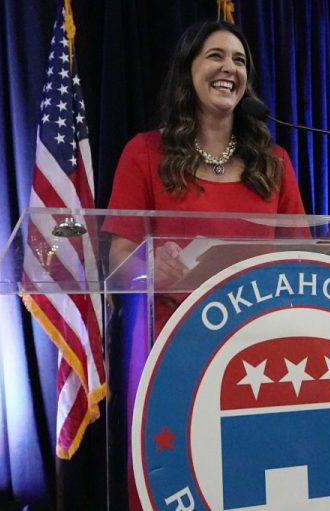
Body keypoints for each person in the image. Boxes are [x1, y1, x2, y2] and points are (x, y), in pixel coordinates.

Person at [102, 20, 307, 511]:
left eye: (239, 61)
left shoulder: (273, 162)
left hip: (260, 354)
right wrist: (148, 265)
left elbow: (302, 259)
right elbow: (117, 265)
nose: (229, 68)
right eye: (215, 56)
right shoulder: (144, 153)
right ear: (187, 70)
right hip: (174, 351)